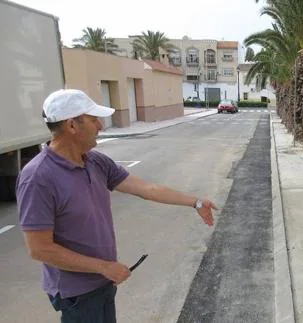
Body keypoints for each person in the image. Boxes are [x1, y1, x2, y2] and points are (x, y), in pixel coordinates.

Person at [16, 89, 218, 323]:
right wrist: (104, 267)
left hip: (103, 281)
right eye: (93, 120)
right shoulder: (38, 177)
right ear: (72, 126)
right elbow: (40, 249)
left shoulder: (95, 161)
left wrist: (196, 202)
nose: (100, 126)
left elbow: (147, 189)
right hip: (77, 293)